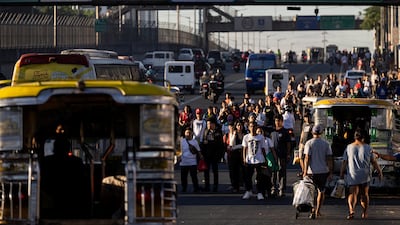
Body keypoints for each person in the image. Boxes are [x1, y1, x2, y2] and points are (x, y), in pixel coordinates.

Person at [41, 136, 89, 219]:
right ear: (68, 148)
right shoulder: (76, 162)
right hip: (71, 200)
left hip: (53, 199)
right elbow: (83, 182)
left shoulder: (47, 161)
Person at [339, 128, 383, 220]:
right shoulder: (368, 147)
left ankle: (351, 210)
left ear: (354, 137)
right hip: (365, 175)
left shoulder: (349, 147)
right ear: (363, 138)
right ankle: (364, 212)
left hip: (352, 174)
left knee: (352, 193)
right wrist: (379, 172)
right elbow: (374, 162)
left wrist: (341, 173)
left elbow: (344, 162)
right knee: (364, 194)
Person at [302, 124, 333, 219]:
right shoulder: (326, 143)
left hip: (311, 172)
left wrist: (304, 171)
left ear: (312, 132)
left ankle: (312, 210)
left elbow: (307, 158)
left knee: (311, 193)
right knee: (321, 191)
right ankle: (318, 210)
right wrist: (331, 171)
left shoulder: (309, 143)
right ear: (322, 132)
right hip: (323, 171)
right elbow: (329, 158)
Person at [241, 122, 269, 200]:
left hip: (259, 159)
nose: (252, 128)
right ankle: (248, 191)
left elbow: (263, 148)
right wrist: (244, 158)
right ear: (248, 128)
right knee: (248, 176)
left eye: (254, 126)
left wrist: (265, 158)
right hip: (249, 159)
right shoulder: (246, 137)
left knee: (259, 177)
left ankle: (259, 192)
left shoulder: (261, 137)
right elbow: (244, 148)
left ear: (256, 127)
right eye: (251, 127)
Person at [270, 114, 291, 197]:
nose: (277, 122)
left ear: (282, 121)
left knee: (281, 172)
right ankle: (273, 189)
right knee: (273, 173)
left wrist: (288, 154)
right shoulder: (272, 131)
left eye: (279, 121)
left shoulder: (285, 132)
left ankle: (281, 189)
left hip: (282, 155)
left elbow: (288, 144)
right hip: (273, 155)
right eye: (276, 121)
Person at [201, 117, 224, 192]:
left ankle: (215, 186)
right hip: (207, 154)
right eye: (207, 124)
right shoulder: (205, 131)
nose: (208, 125)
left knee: (215, 171)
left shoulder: (218, 132)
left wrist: (209, 142)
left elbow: (219, 144)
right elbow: (203, 142)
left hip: (215, 155)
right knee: (206, 171)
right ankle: (207, 186)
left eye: (210, 123)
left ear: (214, 124)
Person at [180, 127, 202, 193]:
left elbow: (198, 151)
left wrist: (201, 157)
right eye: (187, 133)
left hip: (192, 162)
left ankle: (196, 188)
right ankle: (184, 188)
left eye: (189, 133)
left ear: (192, 133)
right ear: (184, 133)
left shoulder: (194, 142)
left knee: (194, 177)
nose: (188, 134)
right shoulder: (182, 141)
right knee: (183, 177)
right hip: (183, 162)